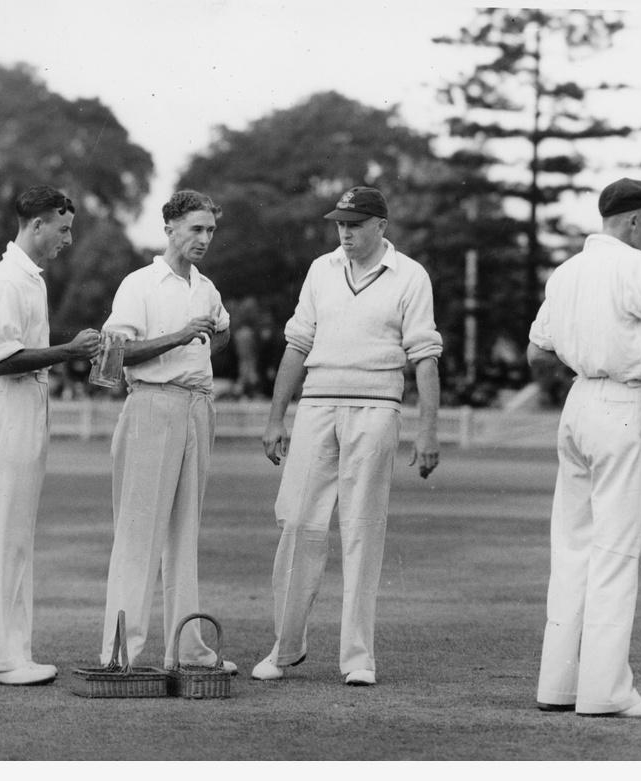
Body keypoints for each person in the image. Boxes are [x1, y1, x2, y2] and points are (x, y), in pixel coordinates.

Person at [251, 186, 442, 686]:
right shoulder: (321, 269)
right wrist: (276, 418)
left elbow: (424, 354)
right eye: (340, 223)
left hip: (377, 408)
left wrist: (428, 430)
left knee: (362, 528)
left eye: (355, 224)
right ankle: (285, 648)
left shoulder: (410, 275)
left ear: (382, 225)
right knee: (297, 524)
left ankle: (358, 658)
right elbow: (297, 344)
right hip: (316, 405)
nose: (346, 232)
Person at [529, 177, 641, 719]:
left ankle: (558, 685)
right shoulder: (629, 266)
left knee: (573, 547)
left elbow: (538, 353)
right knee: (615, 550)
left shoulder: (567, 270)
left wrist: (588, 352)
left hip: (578, 405)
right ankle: (605, 691)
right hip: (622, 406)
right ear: (633, 221)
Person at [98, 190, 236, 672]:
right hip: (151, 407)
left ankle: (190, 647)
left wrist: (208, 341)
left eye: (210, 231)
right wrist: (179, 336)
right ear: (171, 229)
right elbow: (113, 358)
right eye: (195, 229)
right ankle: (122, 653)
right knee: (138, 535)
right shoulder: (139, 284)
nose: (203, 239)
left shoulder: (207, 287)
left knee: (185, 534)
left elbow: (217, 334)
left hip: (197, 407)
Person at [0, 186, 99, 685]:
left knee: (18, 536)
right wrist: (69, 350)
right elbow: (2, 358)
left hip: (29, 402)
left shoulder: (30, 279)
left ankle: (12, 653)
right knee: (7, 535)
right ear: (38, 225)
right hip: (10, 403)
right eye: (63, 228)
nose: (68, 239)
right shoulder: (7, 280)